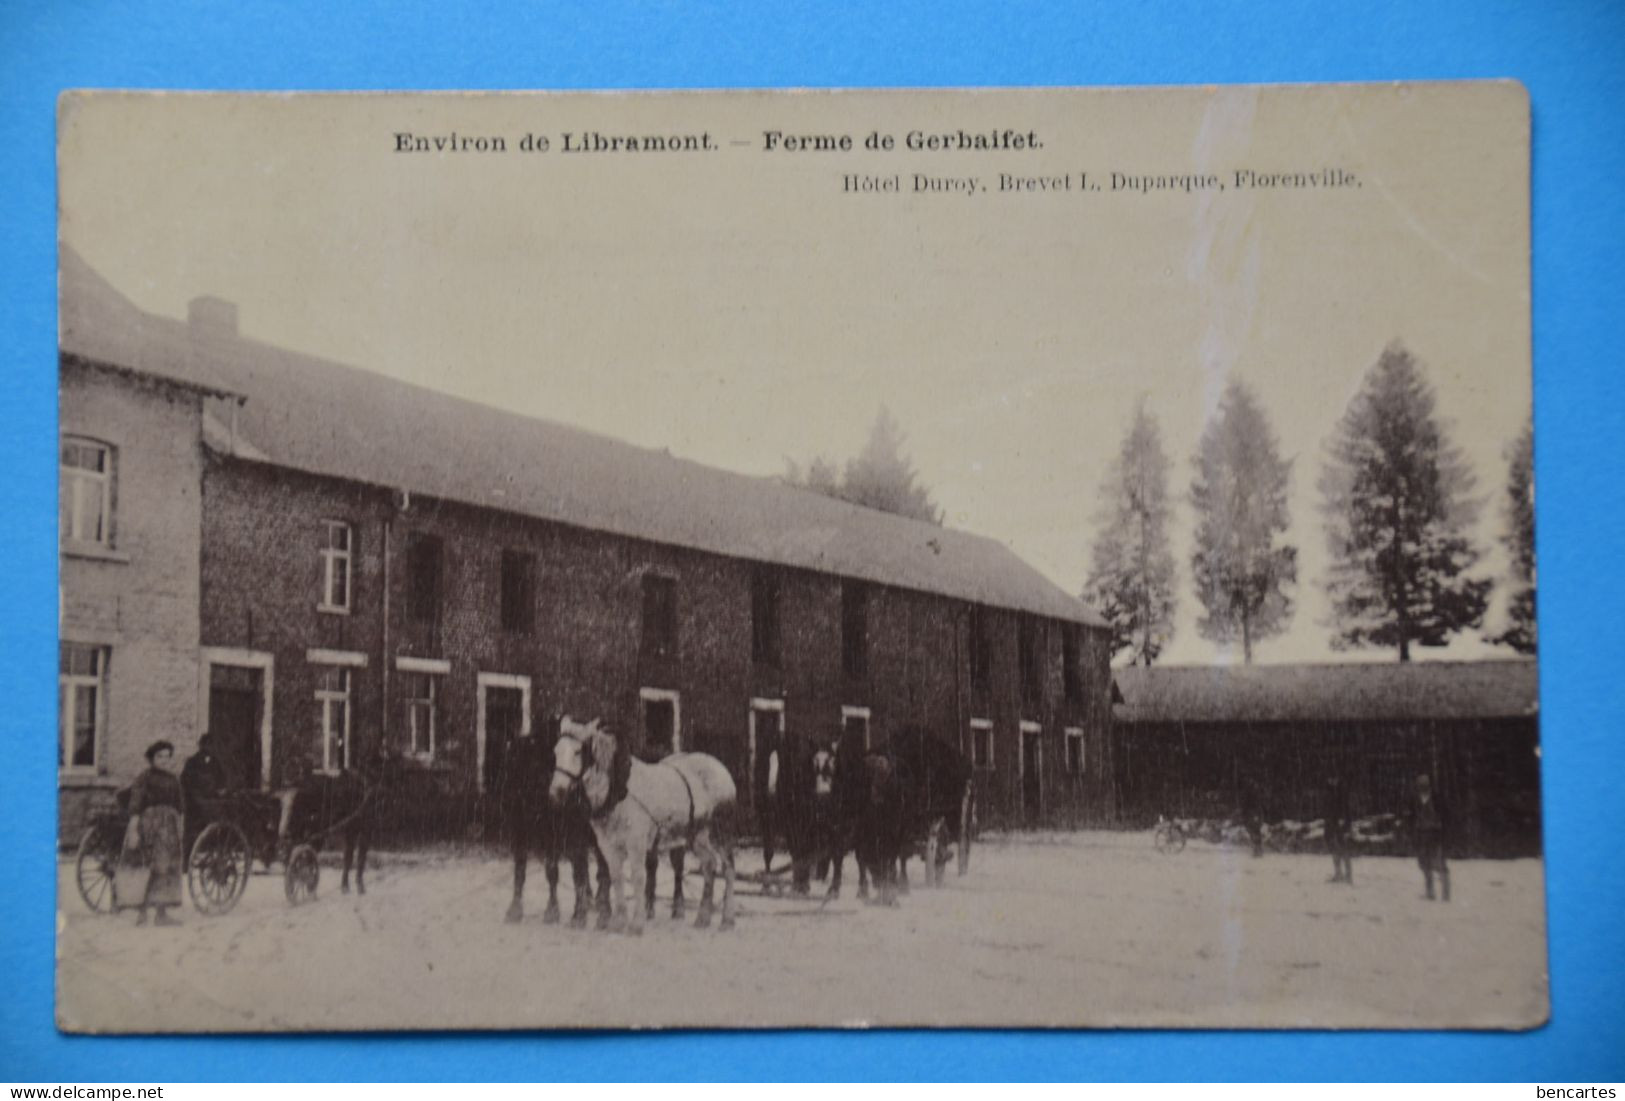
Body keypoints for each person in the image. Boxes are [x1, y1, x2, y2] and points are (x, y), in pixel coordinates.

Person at [114, 740, 186, 926]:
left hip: (168, 829)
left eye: (166, 756)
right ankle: (142, 912)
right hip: (149, 826)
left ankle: (161, 913)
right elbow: (135, 804)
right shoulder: (144, 778)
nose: (163, 760)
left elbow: (180, 806)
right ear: (152, 758)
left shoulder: (173, 780)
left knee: (166, 869)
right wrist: (134, 830)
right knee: (148, 868)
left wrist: (180, 827)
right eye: (159, 756)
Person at [1408, 772, 1451, 902]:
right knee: (1423, 864)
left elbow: (1445, 816)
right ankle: (1430, 891)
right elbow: (1411, 817)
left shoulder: (1437, 798)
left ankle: (1446, 894)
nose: (1422, 787)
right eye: (1420, 784)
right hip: (1421, 835)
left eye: (1424, 784)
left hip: (1435, 835)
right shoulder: (1414, 800)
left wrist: (1444, 832)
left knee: (1440, 864)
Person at [1323, 773, 1353, 885]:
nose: (1331, 780)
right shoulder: (1329, 791)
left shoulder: (1342, 791)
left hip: (1340, 822)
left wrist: (1344, 820)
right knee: (1333, 847)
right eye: (1330, 778)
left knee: (1343, 847)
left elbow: (1346, 807)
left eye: (1333, 778)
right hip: (1331, 822)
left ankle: (1348, 875)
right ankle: (1338, 873)